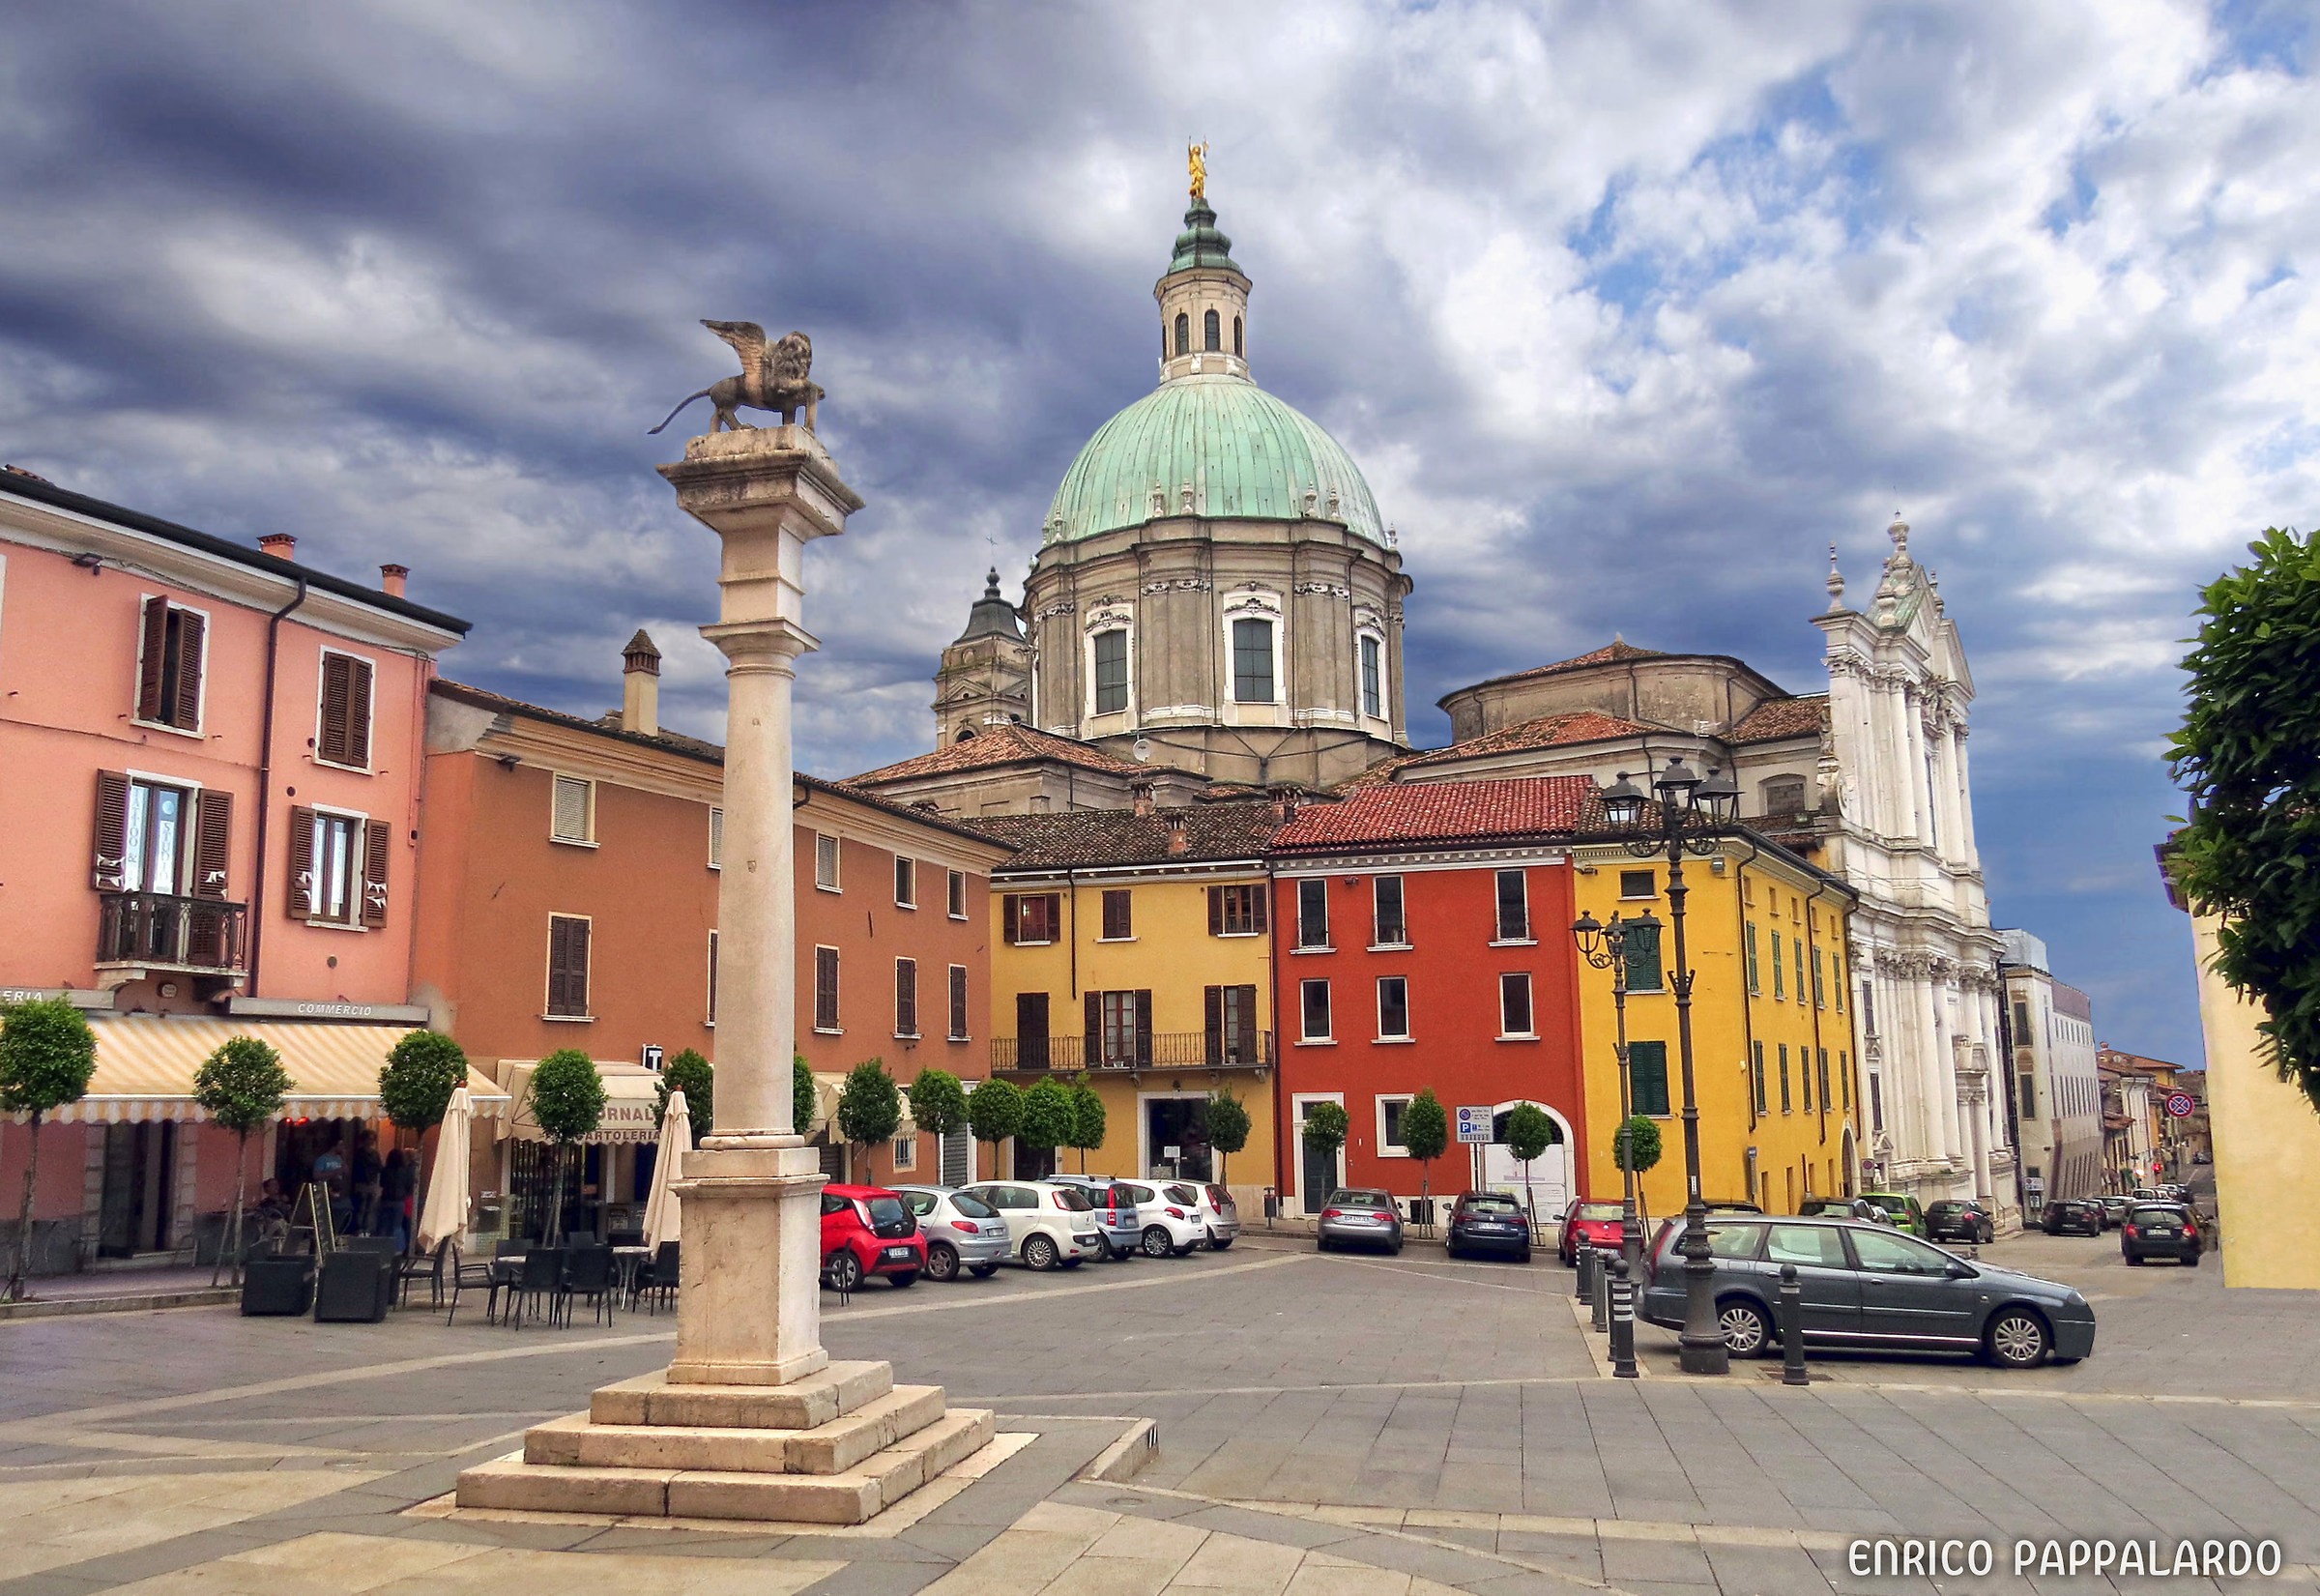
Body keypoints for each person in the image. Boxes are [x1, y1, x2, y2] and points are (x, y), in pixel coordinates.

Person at [379, 1148, 416, 1253]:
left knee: (383, 1226)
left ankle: (380, 1249)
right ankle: (397, 1250)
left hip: (386, 1199)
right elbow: (409, 1186)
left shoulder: (385, 1170)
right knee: (397, 1227)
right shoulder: (405, 1171)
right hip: (399, 1201)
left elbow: (381, 1183)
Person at [351, 1130, 384, 1235]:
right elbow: (357, 1168)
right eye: (369, 1139)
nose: (371, 1141)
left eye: (372, 1139)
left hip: (372, 1183)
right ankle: (359, 1228)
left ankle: (366, 1228)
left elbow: (379, 1167)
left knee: (369, 1207)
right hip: (361, 1183)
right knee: (361, 1206)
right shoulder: (359, 1153)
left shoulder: (375, 1154)